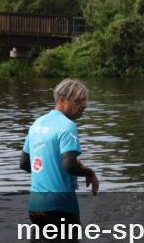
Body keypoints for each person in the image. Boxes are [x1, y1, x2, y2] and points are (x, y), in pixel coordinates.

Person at [20, 78, 99, 228]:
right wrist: (89, 173)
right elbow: (69, 165)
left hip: (36, 207)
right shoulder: (68, 126)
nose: (84, 106)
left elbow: (24, 163)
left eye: (84, 101)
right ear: (62, 100)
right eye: (78, 101)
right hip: (61, 206)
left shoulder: (37, 123)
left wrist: (53, 174)